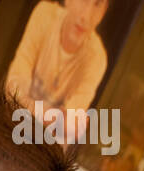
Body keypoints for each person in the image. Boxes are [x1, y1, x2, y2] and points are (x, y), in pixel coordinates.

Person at [6, 0, 110, 142]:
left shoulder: (97, 58)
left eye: (97, 5)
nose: (86, 16)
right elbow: (14, 85)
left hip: (46, 147)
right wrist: (55, 117)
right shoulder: (45, 15)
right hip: (8, 127)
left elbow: (71, 124)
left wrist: (27, 105)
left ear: (103, 13)